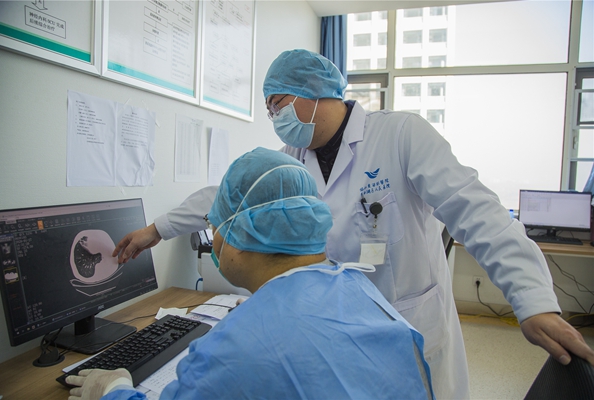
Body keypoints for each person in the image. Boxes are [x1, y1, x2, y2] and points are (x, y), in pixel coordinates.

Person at [114, 50, 594, 399]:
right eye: (270, 109)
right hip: (335, 322)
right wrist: (157, 229)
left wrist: (532, 300)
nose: (274, 116)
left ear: (313, 91)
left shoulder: (401, 134)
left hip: (408, 320)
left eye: (278, 103)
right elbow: (230, 194)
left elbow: (476, 210)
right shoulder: (293, 157)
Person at [68, 148, 434, 400]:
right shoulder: (358, 288)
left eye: (215, 224)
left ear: (244, 235)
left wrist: (113, 389)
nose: (213, 237)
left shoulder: (234, 349)